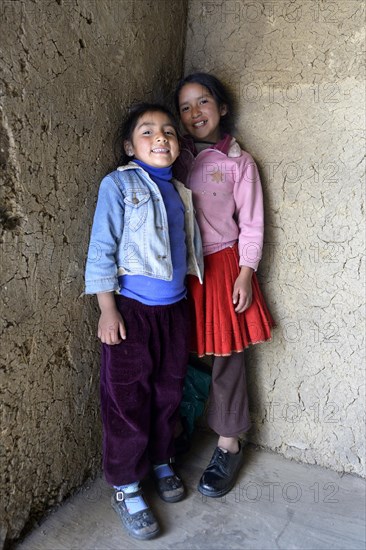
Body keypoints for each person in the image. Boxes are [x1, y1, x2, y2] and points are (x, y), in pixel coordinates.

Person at [84, 103, 203, 540]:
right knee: (127, 399)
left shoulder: (180, 191)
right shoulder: (119, 184)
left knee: (167, 390)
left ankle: (159, 459)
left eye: (169, 131)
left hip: (173, 311)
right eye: (148, 132)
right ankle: (126, 485)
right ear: (129, 146)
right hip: (131, 311)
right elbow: (102, 246)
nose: (161, 137)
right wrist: (107, 308)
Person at [173, 73, 275, 498]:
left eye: (203, 102)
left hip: (222, 266)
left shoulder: (238, 162)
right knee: (180, 353)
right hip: (179, 268)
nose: (195, 113)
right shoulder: (172, 154)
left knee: (226, 358)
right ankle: (176, 434)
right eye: (185, 107)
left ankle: (229, 443)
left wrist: (246, 273)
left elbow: (252, 223)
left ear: (222, 108)